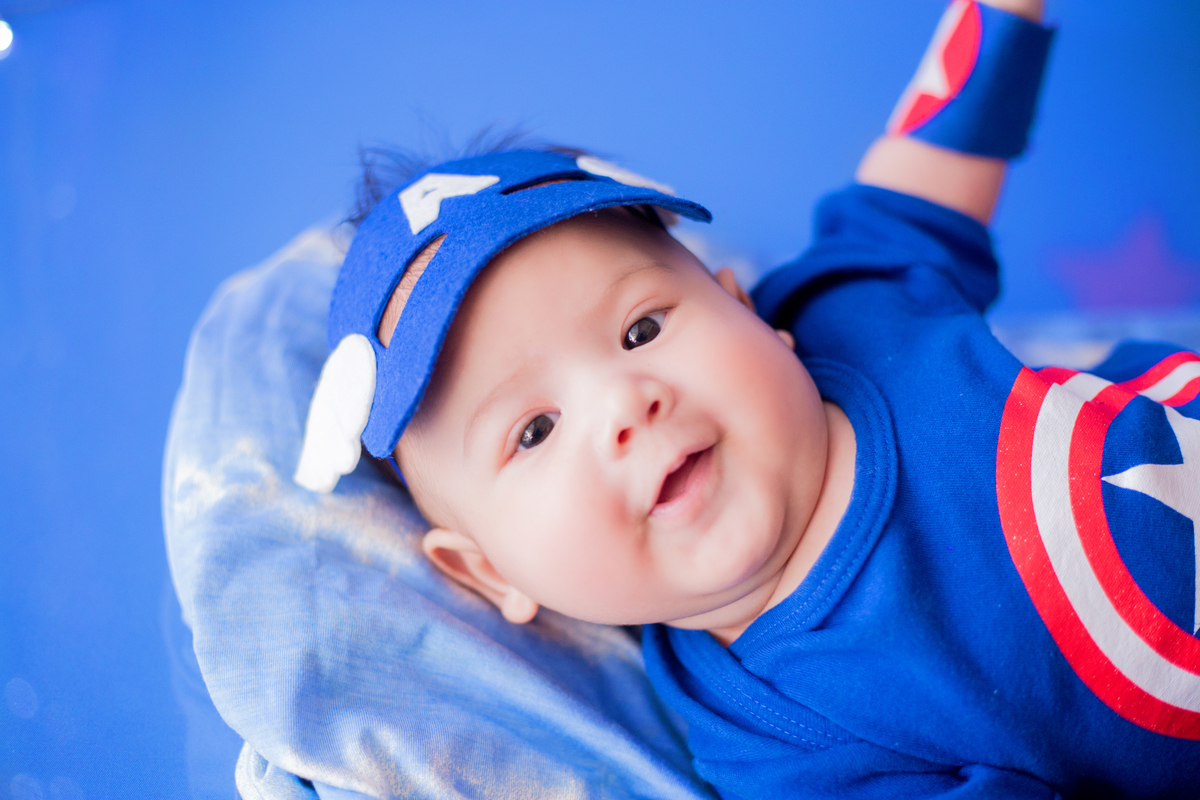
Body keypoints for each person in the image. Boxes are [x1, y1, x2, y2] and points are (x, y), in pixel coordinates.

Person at [293, 0, 1200, 796]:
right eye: (534, 430)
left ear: (745, 309)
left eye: (641, 329)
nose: (625, 404)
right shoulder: (774, 738)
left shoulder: (850, 306)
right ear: (491, 571)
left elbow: (927, 167)